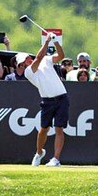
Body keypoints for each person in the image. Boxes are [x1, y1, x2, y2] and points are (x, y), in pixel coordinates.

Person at [26, 34, 69, 167]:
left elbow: (61, 56)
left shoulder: (47, 60)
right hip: (47, 101)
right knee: (44, 129)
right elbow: (38, 57)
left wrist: (55, 42)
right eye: (23, 61)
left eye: (27, 58)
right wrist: (47, 41)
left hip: (62, 97)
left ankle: (56, 159)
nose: (27, 60)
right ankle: (39, 153)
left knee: (59, 128)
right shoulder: (29, 71)